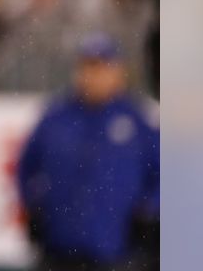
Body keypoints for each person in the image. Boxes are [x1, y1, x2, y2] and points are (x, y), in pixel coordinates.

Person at [16, 32, 160, 271]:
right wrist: (32, 206)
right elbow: (25, 166)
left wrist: (149, 211)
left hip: (116, 252)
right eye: (88, 67)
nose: (93, 76)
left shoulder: (136, 120)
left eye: (102, 67)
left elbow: (162, 175)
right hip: (59, 250)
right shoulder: (56, 117)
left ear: (118, 71)